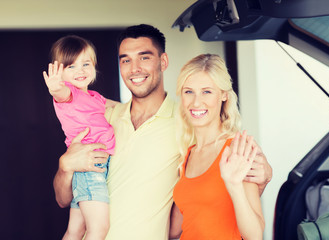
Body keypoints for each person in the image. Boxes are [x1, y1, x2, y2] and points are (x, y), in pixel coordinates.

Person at [52, 24, 272, 240]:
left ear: (163, 61)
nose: (134, 68)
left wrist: (263, 176)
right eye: (126, 60)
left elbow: (225, 168)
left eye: (144, 57)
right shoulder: (103, 120)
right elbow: (63, 199)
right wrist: (65, 167)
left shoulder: (188, 122)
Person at [169, 54, 265, 240]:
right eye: (189, 92)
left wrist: (234, 185)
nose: (196, 102)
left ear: (223, 95)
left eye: (207, 92)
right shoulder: (187, 154)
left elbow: (255, 235)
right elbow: (180, 227)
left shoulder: (238, 149)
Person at [43, 35, 116, 240]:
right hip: (89, 169)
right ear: (61, 72)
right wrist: (56, 87)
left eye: (86, 64)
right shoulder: (70, 95)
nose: (81, 70)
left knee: (75, 231)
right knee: (99, 229)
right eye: (71, 67)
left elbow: (117, 107)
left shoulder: (94, 96)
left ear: (94, 66)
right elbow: (60, 93)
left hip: (91, 169)